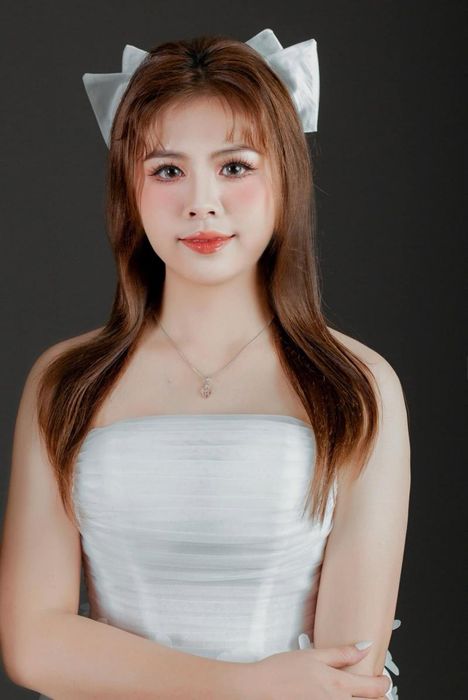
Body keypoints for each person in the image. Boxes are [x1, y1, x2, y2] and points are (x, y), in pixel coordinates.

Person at [0, 29, 409, 699]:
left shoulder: (357, 386)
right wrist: (239, 686)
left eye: (235, 166)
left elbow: (347, 676)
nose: (201, 202)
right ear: (130, 189)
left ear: (285, 178)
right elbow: (33, 642)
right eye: (168, 170)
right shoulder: (66, 382)